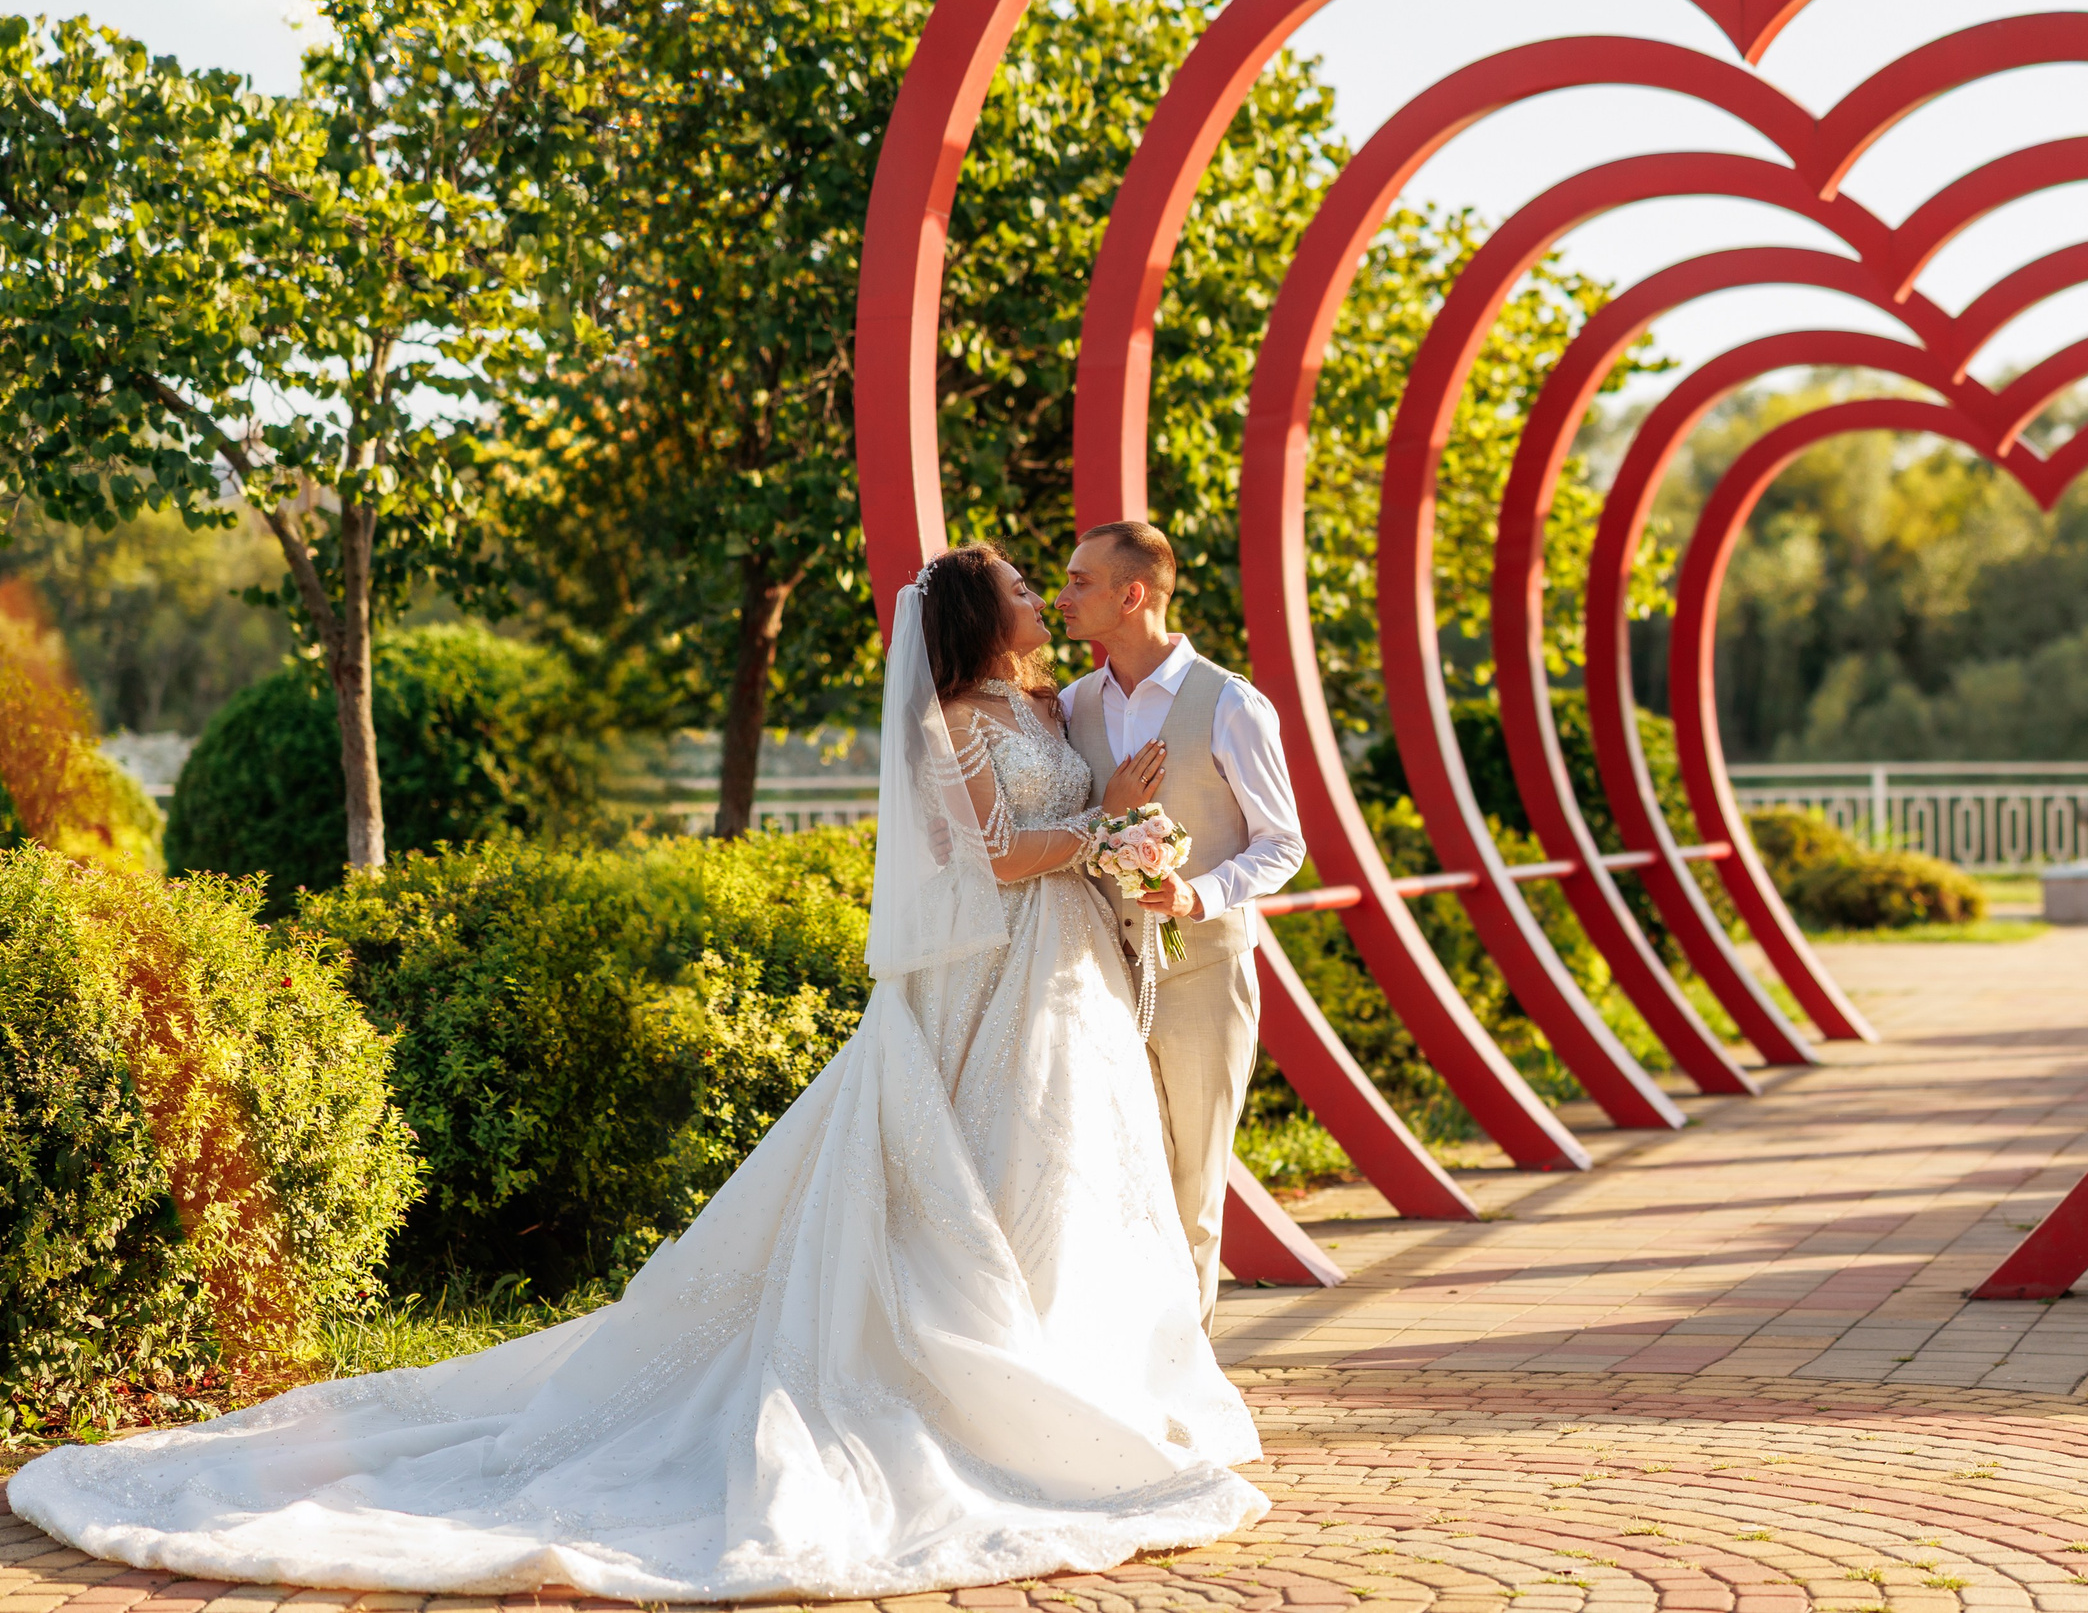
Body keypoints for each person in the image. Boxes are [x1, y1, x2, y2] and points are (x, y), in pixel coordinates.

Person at [7, 543, 1271, 1602]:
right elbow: (993, 855)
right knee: (991, 1177)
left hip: (1067, 975)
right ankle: (997, 1397)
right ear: (979, 621)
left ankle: (1079, 1370)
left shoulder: (1052, 707)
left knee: (1064, 1175)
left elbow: (1102, 811)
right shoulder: (953, 722)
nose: (1044, 598)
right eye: (1024, 588)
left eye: (1056, 584)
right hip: (997, 974)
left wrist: (1118, 825)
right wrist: (1104, 826)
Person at [1051, 521, 1307, 1330]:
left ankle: (1186, 1370)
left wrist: (1201, 893)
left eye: (1080, 581)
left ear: (1133, 594)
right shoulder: (1070, 706)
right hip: (1099, 978)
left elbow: (1284, 842)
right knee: (1122, 1179)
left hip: (1205, 976)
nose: (1062, 596)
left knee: (1193, 1188)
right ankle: (1131, 1362)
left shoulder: (1230, 702)